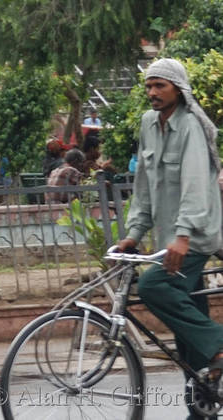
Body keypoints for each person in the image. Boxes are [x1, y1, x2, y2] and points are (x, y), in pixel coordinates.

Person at [117, 58, 223, 418]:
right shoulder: (149, 124)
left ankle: (219, 345)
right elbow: (144, 185)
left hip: (193, 237)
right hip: (168, 237)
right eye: (148, 86)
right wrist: (134, 233)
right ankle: (203, 406)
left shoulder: (191, 125)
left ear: (178, 89)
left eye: (159, 86)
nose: (152, 93)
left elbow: (195, 185)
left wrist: (182, 236)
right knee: (187, 327)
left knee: (152, 287)